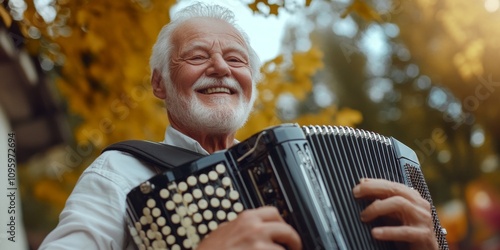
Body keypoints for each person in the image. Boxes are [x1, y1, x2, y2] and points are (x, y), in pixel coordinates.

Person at [39, 3, 439, 250]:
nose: (220, 68)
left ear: (251, 83)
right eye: (197, 56)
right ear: (159, 83)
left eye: (236, 59)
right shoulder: (120, 174)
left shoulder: (292, 168)